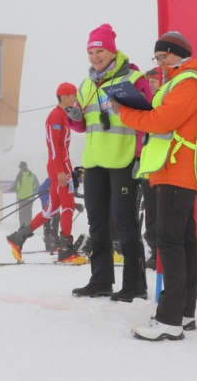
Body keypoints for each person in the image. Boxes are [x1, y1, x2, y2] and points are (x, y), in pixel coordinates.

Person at [112, 31, 197, 341]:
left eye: (163, 56)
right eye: (156, 57)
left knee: (170, 243)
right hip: (172, 170)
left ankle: (170, 319)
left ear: (179, 54)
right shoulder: (181, 80)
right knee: (182, 242)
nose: (159, 62)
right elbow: (163, 119)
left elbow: (161, 122)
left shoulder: (189, 81)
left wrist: (123, 110)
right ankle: (183, 313)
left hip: (176, 171)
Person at [67, 23, 151, 302]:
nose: (95, 57)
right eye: (91, 52)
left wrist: (140, 156)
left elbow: (146, 122)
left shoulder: (134, 78)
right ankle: (100, 280)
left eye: (100, 51)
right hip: (94, 163)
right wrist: (73, 115)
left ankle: (135, 285)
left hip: (124, 161)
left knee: (125, 223)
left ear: (112, 51)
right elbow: (83, 126)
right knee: (97, 224)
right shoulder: (87, 83)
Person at [7, 83, 81, 263]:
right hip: (59, 167)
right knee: (69, 206)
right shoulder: (55, 116)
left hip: (61, 166)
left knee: (52, 209)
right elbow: (53, 147)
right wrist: (61, 171)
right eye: (73, 96)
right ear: (63, 97)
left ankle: (19, 237)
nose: (75, 99)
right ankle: (65, 249)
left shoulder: (64, 115)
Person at [139, 67, 162, 270]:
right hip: (147, 169)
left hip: (164, 169)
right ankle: (155, 253)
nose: (151, 83)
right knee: (151, 214)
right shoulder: (144, 104)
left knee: (163, 214)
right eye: (149, 81)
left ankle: (162, 254)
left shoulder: (165, 102)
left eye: (155, 80)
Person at [13, 161, 39, 229]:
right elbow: (35, 186)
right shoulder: (32, 175)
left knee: (22, 213)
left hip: (22, 198)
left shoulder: (20, 175)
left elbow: (17, 186)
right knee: (28, 212)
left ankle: (22, 228)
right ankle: (28, 227)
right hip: (30, 198)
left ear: (21, 167)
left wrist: (13, 189)